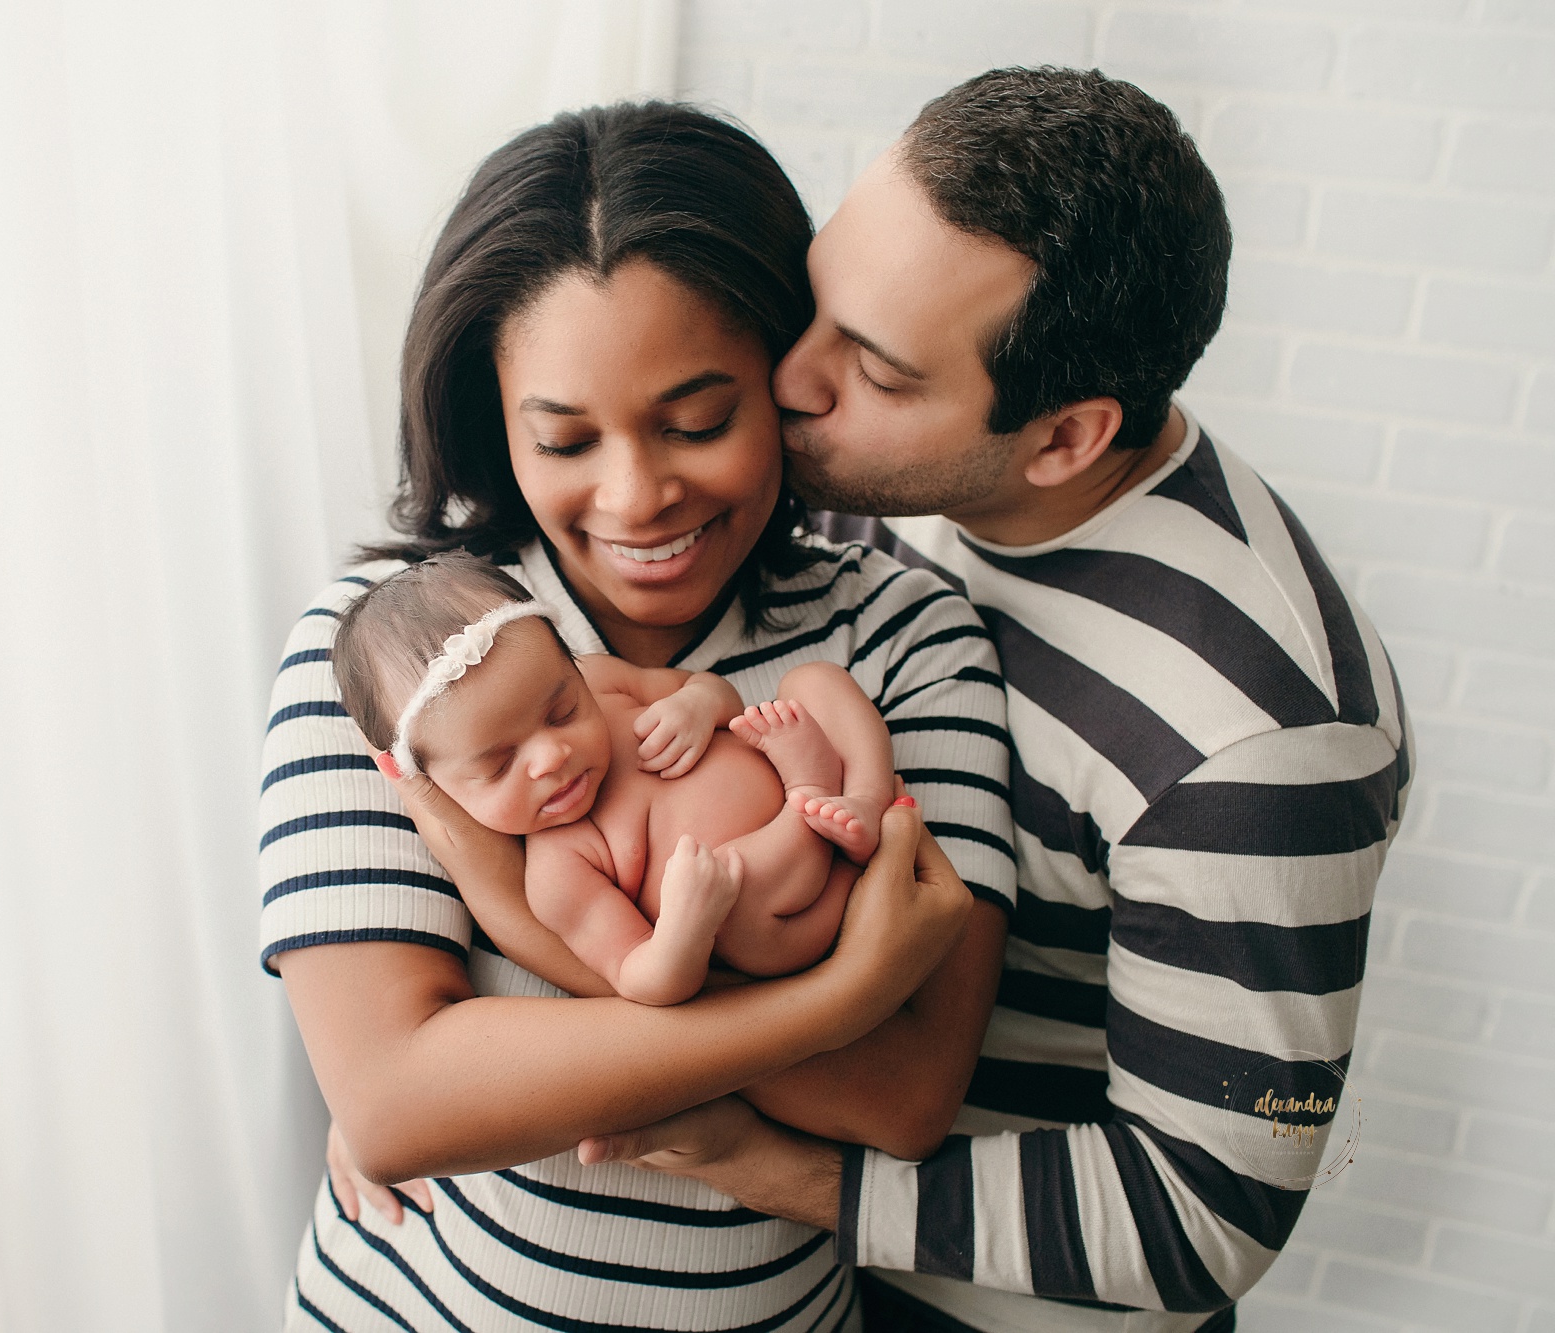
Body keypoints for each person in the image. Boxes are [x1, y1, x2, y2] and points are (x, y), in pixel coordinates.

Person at [577, 68, 1410, 1333]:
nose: (789, 381)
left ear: (1065, 438)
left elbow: (1200, 1216)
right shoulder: (879, 462)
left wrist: (759, 1161)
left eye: (875, 368)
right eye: (819, 299)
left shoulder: (1258, 736)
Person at [258, 102, 1018, 1330]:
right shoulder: (393, 656)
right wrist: (831, 1000)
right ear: (494, 423)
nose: (634, 497)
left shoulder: (905, 638)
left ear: (787, 378)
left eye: (698, 422)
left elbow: (902, 1094)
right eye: (562, 439)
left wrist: (505, 927)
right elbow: (401, 1107)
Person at [329, 551, 898, 1003]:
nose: (551, 756)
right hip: (786, 912)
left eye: (562, 711)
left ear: (570, 665)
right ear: (426, 782)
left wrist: (697, 703)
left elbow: (713, 690)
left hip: (838, 821)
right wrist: (683, 928)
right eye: (500, 765)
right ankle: (809, 796)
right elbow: (637, 976)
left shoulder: (604, 682)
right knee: (734, 897)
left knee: (815, 680)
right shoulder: (559, 872)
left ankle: (865, 800)